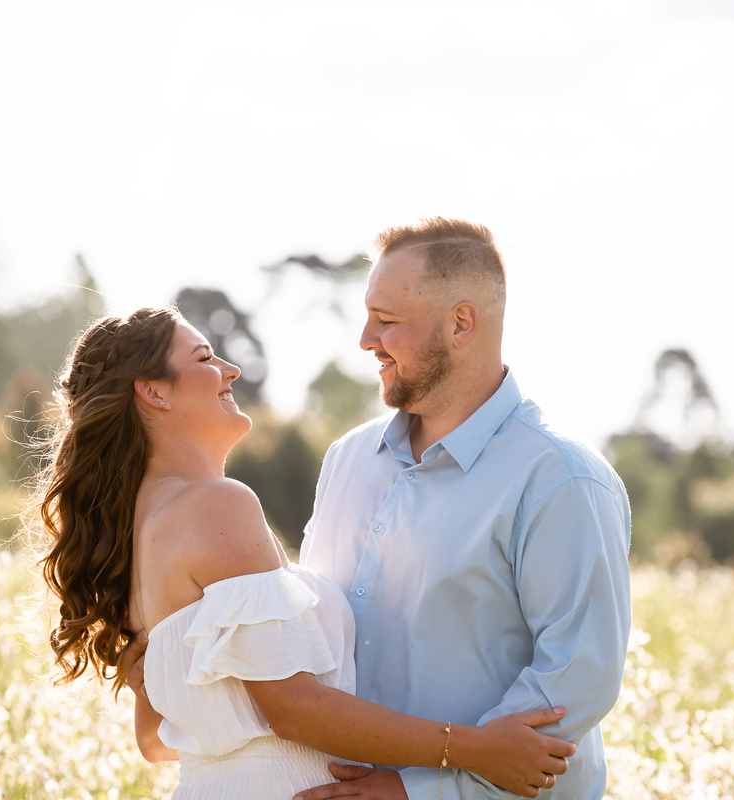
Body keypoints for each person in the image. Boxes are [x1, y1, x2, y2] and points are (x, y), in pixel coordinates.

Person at [36, 306, 578, 800]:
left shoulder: (136, 531)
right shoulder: (217, 506)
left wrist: (150, 689)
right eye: (204, 358)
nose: (230, 370)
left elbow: (158, 743)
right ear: (154, 392)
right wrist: (475, 750)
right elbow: (292, 709)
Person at [294, 218, 633, 800]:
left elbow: (573, 682)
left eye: (386, 319)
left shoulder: (561, 478)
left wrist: (419, 789)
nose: (366, 339)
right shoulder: (347, 460)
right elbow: (309, 628)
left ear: (460, 323)